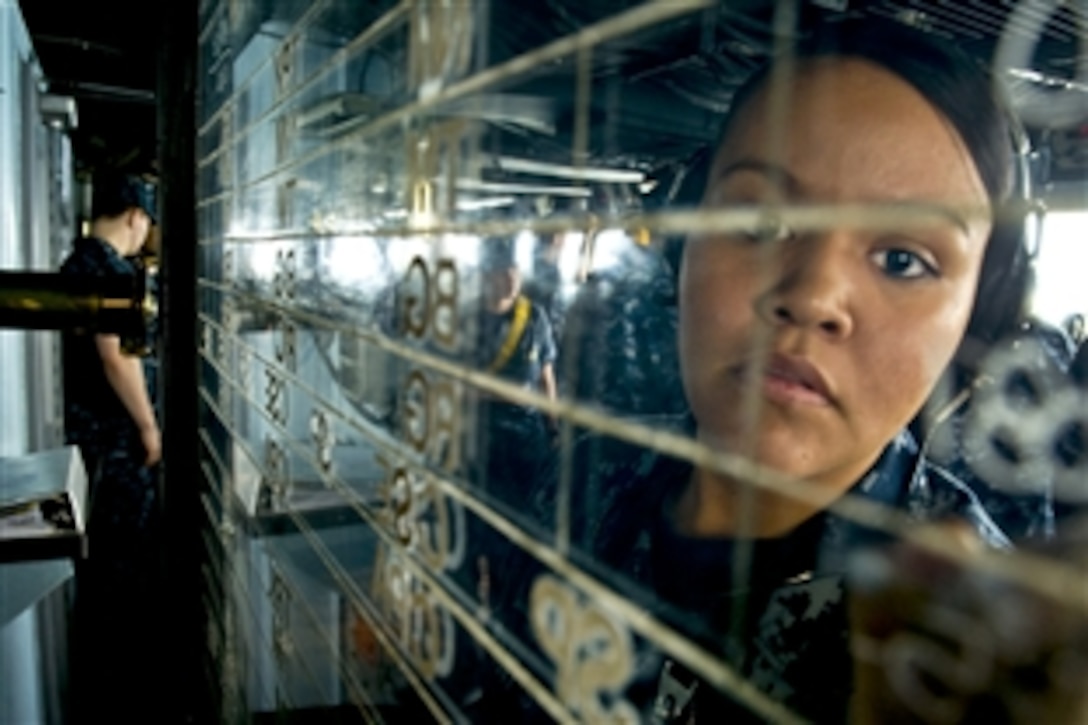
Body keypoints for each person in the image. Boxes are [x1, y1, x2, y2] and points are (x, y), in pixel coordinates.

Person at [497, 16, 1068, 724]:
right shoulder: (582, 481)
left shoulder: (973, 642)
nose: (813, 297)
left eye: (902, 260)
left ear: (975, 319)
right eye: (761, 224)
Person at [61, 169, 162, 721]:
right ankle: (120, 696)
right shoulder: (109, 269)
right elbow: (115, 352)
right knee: (122, 573)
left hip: (89, 443)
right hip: (115, 447)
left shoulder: (77, 262)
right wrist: (149, 427)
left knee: (102, 571)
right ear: (135, 216)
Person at [470, 238, 558, 512]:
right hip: (482, 431)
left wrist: (552, 425)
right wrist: (509, 394)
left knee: (527, 508)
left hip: (527, 435)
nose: (511, 279)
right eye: (502, 271)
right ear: (486, 276)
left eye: (515, 271)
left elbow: (546, 374)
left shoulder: (534, 316)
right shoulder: (468, 320)